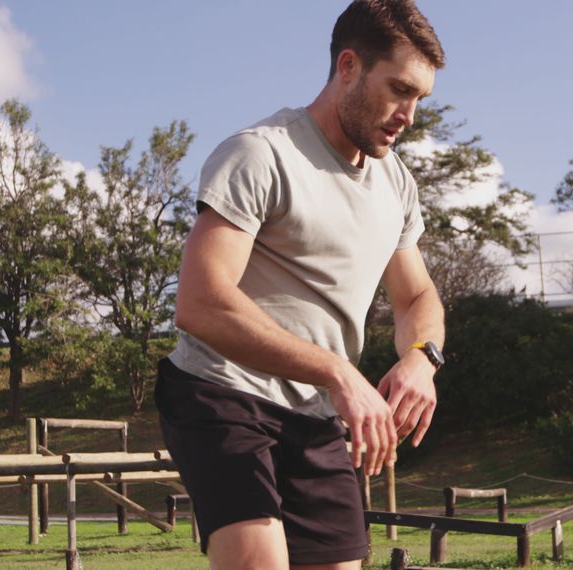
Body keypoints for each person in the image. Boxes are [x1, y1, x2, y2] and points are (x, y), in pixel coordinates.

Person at [156, 1, 446, 568]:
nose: (409, 114)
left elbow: (417, 297)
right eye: (399, 89)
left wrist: (422, 357)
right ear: (348, 66)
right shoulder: (261, 154)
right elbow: (200, 303)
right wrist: (340, 372)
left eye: (420, 99)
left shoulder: (396, 184)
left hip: (314, 414)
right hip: (222, 394)